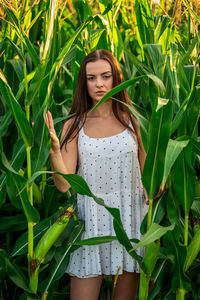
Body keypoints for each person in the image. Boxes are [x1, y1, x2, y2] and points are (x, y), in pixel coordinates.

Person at [46, 49, 148, 300]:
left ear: (116, 78)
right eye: (92, 78)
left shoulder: (133, 121)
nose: (99, 84)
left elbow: (150, 173)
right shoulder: (74, 124)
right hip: (90, 223)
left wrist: (153, 189)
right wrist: (55, 152)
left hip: (129, 220)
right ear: (84, 82)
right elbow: (63, 184)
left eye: (105, 76)